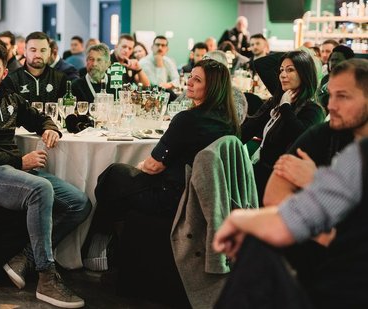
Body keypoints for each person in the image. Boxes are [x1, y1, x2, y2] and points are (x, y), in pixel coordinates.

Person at [0, 38, 91, 308]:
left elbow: (37, 117)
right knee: (41, 189)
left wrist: (50, 127)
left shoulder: (10, 97)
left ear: (4, 72)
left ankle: (24, 258)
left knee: (79, 203)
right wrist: (19, 161)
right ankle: (46, 277)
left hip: (8, 173)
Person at [212, 138, 367, 308]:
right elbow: (275, 195)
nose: (331, 108)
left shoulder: (359, 155)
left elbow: (282, 226)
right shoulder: (329, 135)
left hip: (342, 290)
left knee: (259, 246)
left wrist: (237, 218)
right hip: (333, 276)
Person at [94, 58, 240, 229]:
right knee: (118, 180)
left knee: (114, 175)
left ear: (213, 87)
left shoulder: (187, 120)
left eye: (197, 80)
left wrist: (140, 165)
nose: (189, 82)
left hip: (175, 197)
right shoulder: (229, 122)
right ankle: (114, 238)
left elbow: (153, 166)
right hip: (206, 195)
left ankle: (101, 240)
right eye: (191, 76)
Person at [264, 58, 368, 207]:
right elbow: (272, 196)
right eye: (331, 95)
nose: (331, 106)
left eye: (342, 96)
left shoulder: (313, 112)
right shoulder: (326, 132)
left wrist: (315, 180)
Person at [241, 50, 325, 200]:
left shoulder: (313, 109)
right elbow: (250, 128)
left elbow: (300, 138)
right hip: (262, 173)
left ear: (304, 73)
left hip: (283, 183)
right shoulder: (277, 101)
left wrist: (286, 107)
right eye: (281, 70)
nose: (283, 75)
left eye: (290, 70)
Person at [2, 31, 67, 103]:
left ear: (49, 52)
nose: (38, 55)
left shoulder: (60, 79)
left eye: (43, 50)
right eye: (33, 50)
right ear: (25, 52)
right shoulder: (12, 80)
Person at [315, 45, 354, 112]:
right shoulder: (326, 79)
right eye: (332, 60)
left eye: (338, 60)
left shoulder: (355, 82)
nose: (334, 63)